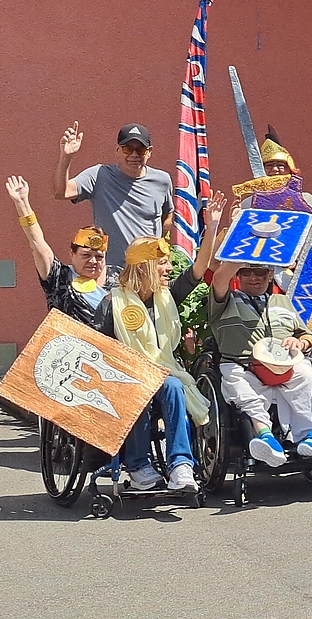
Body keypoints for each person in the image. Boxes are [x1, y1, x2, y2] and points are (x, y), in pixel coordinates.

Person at [90, 192, 226, 492]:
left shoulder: (168, 297)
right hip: (124, 378)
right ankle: (138, 465)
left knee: (173, 385)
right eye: (162, 263)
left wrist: (213, 225)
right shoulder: (112, 303)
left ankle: (180, 465)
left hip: (163, 375)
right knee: (142, 388)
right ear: (144, 267)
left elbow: (199, 268)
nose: (169, 269)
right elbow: (98, 349)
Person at [209, 257, 312, 467]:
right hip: (243, 363)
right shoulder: (225, 300)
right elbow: (219, 278)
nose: (253, 277)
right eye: (246, 272)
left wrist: (300, 342)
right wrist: (246, 252)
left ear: (270, 275)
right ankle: (265, 437)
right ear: (237, 275)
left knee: (307, 374)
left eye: (260, 272)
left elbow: (306, 335)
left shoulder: (282, 301)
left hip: (285, 363)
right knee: (238, 381)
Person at [52, 122, 174, 263]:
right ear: (117, 150)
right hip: (111, 271)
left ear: (149, 152)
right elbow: (61, 192)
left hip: (148, 269)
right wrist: (66, 157)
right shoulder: (99, 175)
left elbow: (167, 216)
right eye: (128, 149)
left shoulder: (162, 180)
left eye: (141, 150)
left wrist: (157, 248)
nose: (134, 155)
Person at [8, 176, 117, 322]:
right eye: (86, 255)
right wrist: (22, 203)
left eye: (99, 256)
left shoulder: (119, 277)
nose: (93, 261)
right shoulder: (59, 276)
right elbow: (37, 244)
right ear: (72, 254)